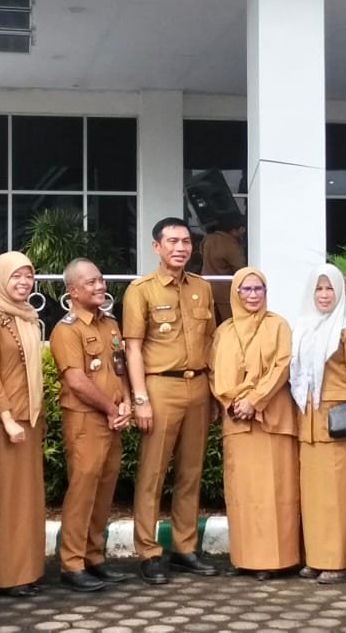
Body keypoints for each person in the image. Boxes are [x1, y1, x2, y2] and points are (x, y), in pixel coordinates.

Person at [124, 217, 220, 584]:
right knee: (152, 474)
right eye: (172, 241)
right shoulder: (141, 290)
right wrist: (140, 399)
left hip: (198, 386)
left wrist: (214, 392)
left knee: (190, 472)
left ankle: (184, 547)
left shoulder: (202, 287)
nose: (180, 248)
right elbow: (133, 349)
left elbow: (211, 342)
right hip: (160, 387)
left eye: (186, 242)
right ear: (157, 247)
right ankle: (148, 551)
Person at [290, 264, 346, 584]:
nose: (324, 295)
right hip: (309, 421)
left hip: (340, 421)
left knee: (339, 496)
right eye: (319, 288)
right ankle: (318, 557)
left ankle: (342, 560)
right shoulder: (305, 325)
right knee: (315, 496)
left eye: (330, 288)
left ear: (340, 291)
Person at [49, 258, 134, 592]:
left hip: (112, 417)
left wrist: (126, 402)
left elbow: (119, 367)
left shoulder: (109, 323)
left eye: (100, 280)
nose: (100, 286)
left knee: (104, 489)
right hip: (85, 419)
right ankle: (72, 563)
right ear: (73, 291)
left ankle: (94, 556)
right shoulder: (66, 330)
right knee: (82, 491)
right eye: (91, 283)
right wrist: (111, 408)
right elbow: (76, 381)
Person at [213, 267, 299, 579]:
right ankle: (245, 558)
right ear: (235, 294)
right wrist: (232, 402)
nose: (252, 295)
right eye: (246, 290)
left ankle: (277, 560)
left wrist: (255, 399)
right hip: (238, 422)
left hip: (271, 419)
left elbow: (282, 366)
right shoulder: (223, 331)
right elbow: (213, 373)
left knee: (275, 493)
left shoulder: (278, 325)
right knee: (243, 495)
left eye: (258, 289)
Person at [0, 251, 47, 596]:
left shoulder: (27, 315)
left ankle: (25, 571)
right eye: (15, 276)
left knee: (26, 501)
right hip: (4, 423)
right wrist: (6, 418)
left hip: (28, 419)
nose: (23, 282)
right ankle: (3, 576)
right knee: (5, 501)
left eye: (28, 276)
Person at [201, 214, 247, 323]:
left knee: (210, 323)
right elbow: (241, 269)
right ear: (234, 230)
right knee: (230, 323)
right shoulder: (230, 244)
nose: (244, 231)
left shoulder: (208, 239)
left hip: (206, 286)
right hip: (225, 291)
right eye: (242, 228)